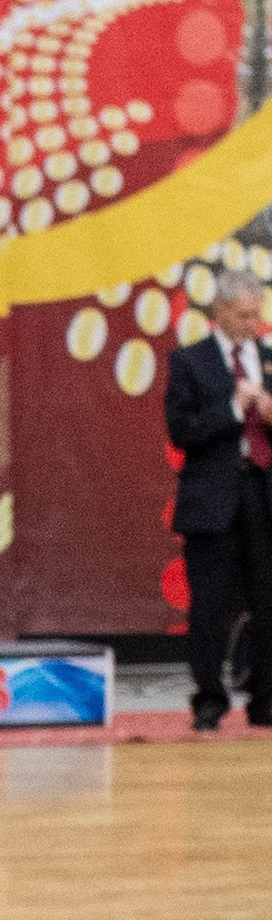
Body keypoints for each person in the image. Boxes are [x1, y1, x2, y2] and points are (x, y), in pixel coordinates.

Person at [166, 268, 272, 732]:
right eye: (244, 315)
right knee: (209, 603)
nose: (253, 324)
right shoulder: (190, 362)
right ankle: (209, 697)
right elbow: (183, 431)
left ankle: (265, 697)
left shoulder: (269, 359)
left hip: (263, 491)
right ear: (221, 312)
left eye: (257, 315)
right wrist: (234, 408)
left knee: (268, 600)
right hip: (213, 496)